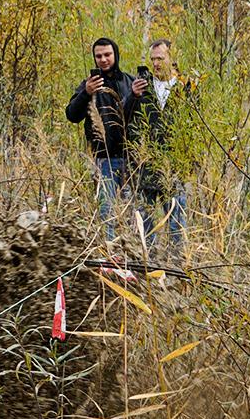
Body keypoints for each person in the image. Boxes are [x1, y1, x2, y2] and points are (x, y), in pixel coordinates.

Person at [65, 37, 143, 239]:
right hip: (103, 159)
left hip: (131, 159)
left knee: (133, 212)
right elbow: (72, 115)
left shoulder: (130, 82)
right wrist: (86, 93)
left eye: (107, 54)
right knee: (106, 212)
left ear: (115, 54)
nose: (103, 59)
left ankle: (133, 255)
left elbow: (139, 117)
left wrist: (135, 96)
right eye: (98, 56)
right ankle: (107, 256)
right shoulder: (88, 85)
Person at [130, 38, 197, 257]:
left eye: (161, 58)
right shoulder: (143, 89)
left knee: (176, 226)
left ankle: (176, 270)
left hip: (174, 169)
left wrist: (189, 163)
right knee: (146, 226)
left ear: (172, 58)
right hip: (146, 169)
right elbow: (131, 124)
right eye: (153, 59)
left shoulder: (186, 89)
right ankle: (148, 268)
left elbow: (194, 128)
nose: (156, 63)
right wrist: (133, 96)